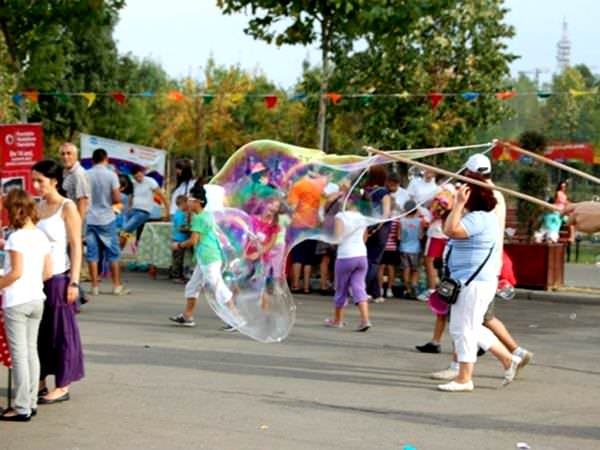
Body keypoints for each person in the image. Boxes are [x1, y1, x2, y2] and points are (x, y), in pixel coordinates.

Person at [431, 154, 533, 379]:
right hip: (479, 268)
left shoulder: (481, 198)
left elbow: (455, 230)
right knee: (472, 322)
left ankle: (465, 370)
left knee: (470, 323)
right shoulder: (486, 193)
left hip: (477, 271)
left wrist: (457, 205)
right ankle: (511, 356)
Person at [31, 160, 86, 404]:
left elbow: (75, 246)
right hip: (35, 278)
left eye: (39, 181)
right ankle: (40, 380)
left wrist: (74, 282)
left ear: (54, 181)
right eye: (33, 180)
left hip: (59, 278)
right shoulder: (37, 205)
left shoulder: (67, 206)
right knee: (38, 333)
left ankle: (62, 385)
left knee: (61, 334)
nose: (35, 185)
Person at [0, 190, 52, 421]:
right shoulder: (41, 236)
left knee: (20, 354)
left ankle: (21, 407)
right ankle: (30, 402)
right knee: (31, 352)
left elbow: (15, 273)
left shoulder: (16, 237)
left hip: (17, 300)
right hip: (36, 298)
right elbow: (48, 272)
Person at [169, 184, 242, 328]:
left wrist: (178, 245)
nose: (188, 202)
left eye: (190, 199)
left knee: (218, 287)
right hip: (206, 257)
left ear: (199, 202)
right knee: (192, 286)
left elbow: (193, 240)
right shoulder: (206, 215)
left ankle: (236, 319)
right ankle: (187, 316)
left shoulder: (199, 218)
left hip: (209, 257)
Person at [85, 148, 128, 296]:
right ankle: (116, 286)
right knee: (113, 253)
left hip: (90, 218)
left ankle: (94, 286)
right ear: (106, 159)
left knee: (92, 254)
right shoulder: (111, 175)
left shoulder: (86, 175)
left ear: (93, 160)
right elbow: (117, 199)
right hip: (107, 218)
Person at [324, 204, 372, 331]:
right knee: (359, 288)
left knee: (341, 289)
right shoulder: (362, 217)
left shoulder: (341, 216)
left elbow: (338, 238)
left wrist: (330, 239)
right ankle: (365, 320)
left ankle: (337, 320)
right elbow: (365, 237)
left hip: (346, 256)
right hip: (361, 255)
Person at [363, 165, 392, 303]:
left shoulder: (366, 191)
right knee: (374, 260)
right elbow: (385, 214)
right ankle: (361, 289)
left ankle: (376, 293)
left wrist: (369, 229)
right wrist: (377, 228)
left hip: (366, 227)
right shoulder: (384, 192)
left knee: (369, 258)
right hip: (380, 228)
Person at [120, 166, 169, 247]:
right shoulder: (133, 182)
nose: (138, 179)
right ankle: (119, 252)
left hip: (143, 212)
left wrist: (167, 212)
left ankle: (115, 253)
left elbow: (162, 197)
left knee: (124, 230)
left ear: (142, 173)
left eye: (139, 176)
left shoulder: (150, 181)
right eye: (136, 177)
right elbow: (131, 196)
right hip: (132, 211)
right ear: (133, 176)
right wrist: (128, 208)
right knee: (126, 233)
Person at [398, 200, 424, 299]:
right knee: (415, 269)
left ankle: (407, 289)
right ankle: (414, 286)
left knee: (406, 268)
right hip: (416, 248)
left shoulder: (401, 221)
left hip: (404, 248)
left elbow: (399, 236)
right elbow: (421, 236)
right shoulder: (419, 221)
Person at [59, 143, 90, 220]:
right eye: (63, 154)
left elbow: (83, 201)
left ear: (76, 156)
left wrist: (78, 225)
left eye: (69, 153)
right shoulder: (66, 172)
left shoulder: (78, 173)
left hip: (79, 219)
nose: (65, 157)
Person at [171, 195, 191, 283]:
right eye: (187, 203)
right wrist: (189, 229)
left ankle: (179, 275)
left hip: (181, 239)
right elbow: (180, 228)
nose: (188, 205)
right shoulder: (179, 215)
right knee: (177, 259)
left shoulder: (182, 214)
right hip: (179, 239)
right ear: (182, 204)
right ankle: (176, 276)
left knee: (180, 258)